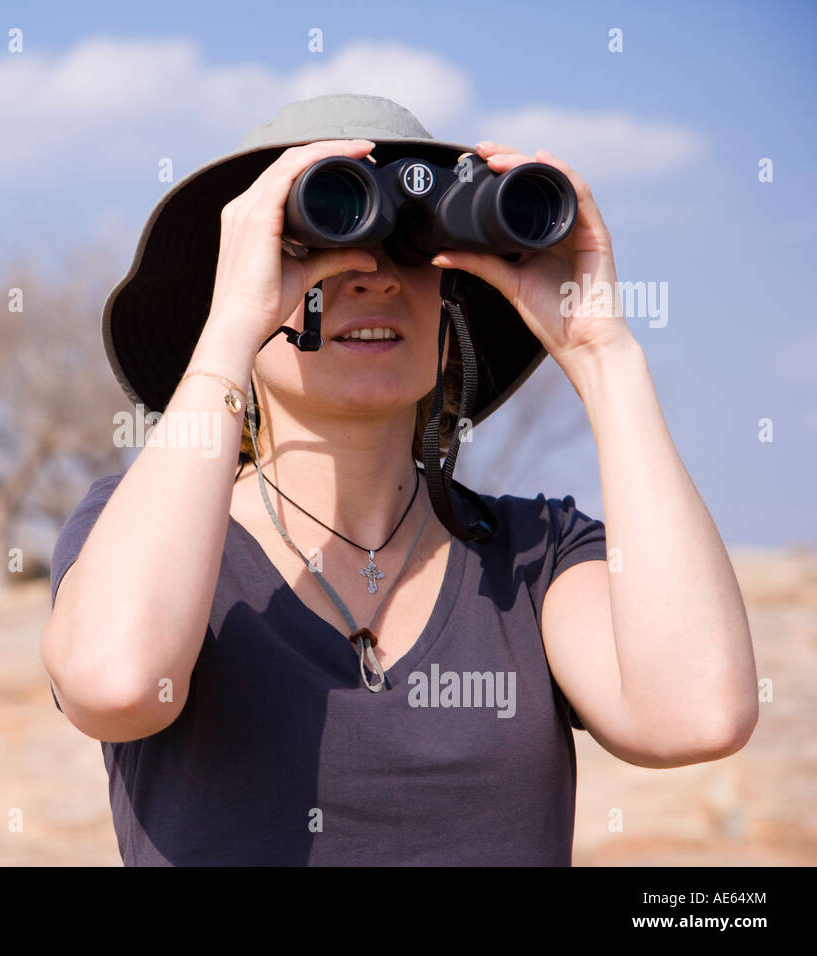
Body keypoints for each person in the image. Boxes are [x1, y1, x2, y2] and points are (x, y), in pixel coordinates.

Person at [39, 94, 758, 866]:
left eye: (413, 248)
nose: (375, 278)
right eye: (315, 241)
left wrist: (601, 353)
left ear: (453, 309)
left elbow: (696, 715)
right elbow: (115, 682)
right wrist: (227, 331)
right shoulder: (143, 535)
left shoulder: (532, 558)